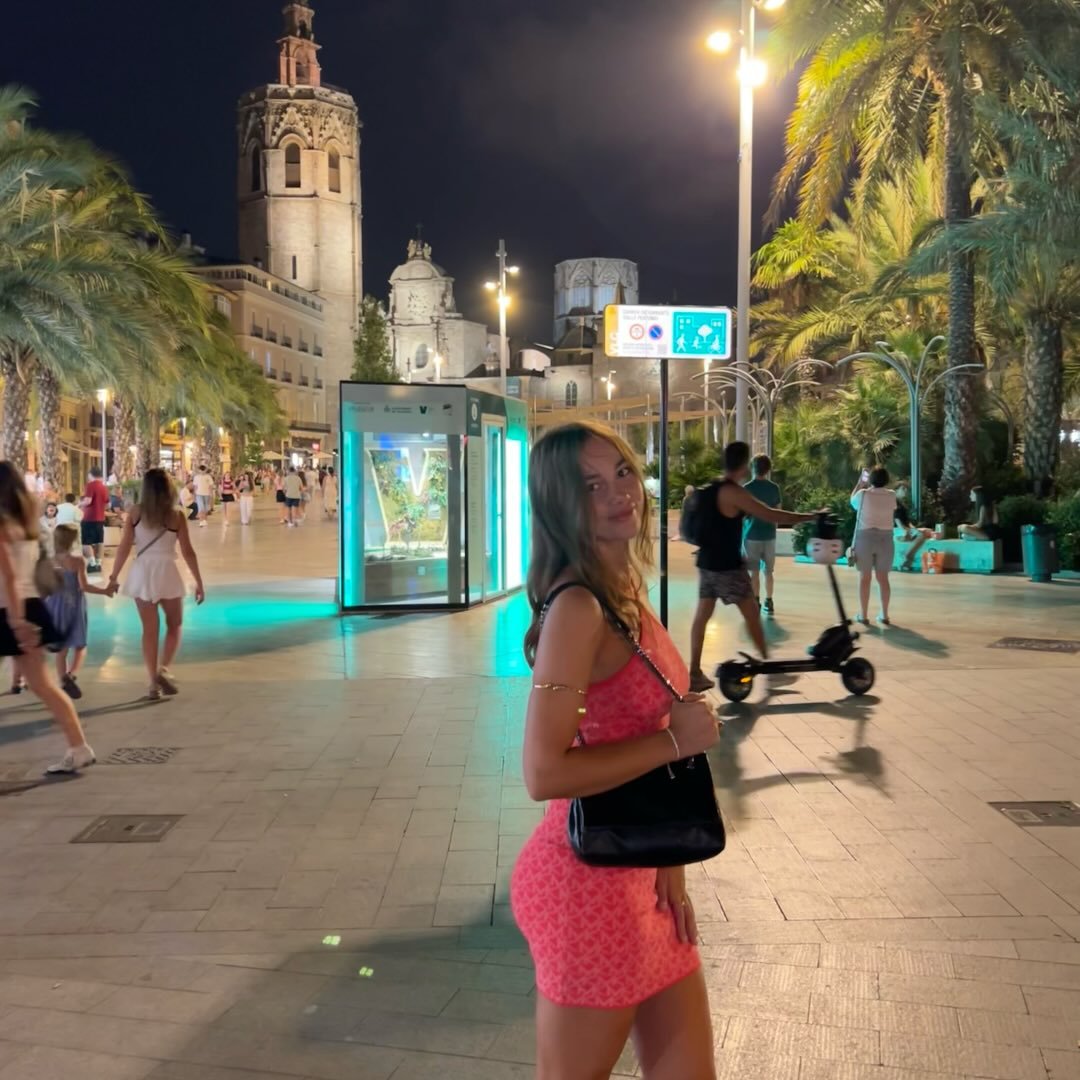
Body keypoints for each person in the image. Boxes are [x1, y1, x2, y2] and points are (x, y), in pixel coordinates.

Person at [510, 420, 722, 1080]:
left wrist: (671, 860)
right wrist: (673, 741)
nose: (618, 493)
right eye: (590, 485)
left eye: (622, 472)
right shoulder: (578, 609)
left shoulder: (623, 588)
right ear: (559, 506)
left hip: (643, 874)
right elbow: (543, 772)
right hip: (586, 889)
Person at [688, 442, 816, 691]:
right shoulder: (733, 493)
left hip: (707, 564)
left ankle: (694, 672)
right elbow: (771, 515)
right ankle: (769, 670)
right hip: (727, 567)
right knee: (752, 615)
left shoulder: (712, 488)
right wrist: (808, 517)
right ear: (744, 464)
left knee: (701, 617)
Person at [0, 463, 95, 773]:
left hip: (10, 610)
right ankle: (79, 747)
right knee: (44, 685)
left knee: (43, 685)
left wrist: (17, 622)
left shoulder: (3, 526)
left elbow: (9, 576)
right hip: (28, 606)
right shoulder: (27, 525)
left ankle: (79, 748)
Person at [106, 469, 206, 701]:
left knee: (150, 631)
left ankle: (153, 683)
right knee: (175, 624)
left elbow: (124, 547)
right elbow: (188, 552)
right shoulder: (176, 516)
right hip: (166, 572)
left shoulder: (135, 513)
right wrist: (199, 582)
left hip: (142, 572)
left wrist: (114, 576)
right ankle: (164, 669)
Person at [45, 523, 109, 699]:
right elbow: (85, 586)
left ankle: (63, 679)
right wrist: (105, 591)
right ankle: (71, 675)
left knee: (61, 648)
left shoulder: (49, 561)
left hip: (55, 606)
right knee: (80, 645)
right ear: (73, 539)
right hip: (74, 606)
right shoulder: (78, 560)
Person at [851, 467, 900, 625]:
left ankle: (863, 615)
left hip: (865, 538)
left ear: (870, 479)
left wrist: (860, 483)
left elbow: (852, 502)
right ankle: (884, 615)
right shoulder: (891, 495)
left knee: (864, 577)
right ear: (886, 480)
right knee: (883, 578)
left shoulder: (863, 494)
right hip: (886, 539)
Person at [742, 454, 782, 615]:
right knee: (769, 571)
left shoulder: (747, 488)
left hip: (751, 535)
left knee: (754, 572)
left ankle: (756, 601)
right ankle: (769, 601)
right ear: (768, 469)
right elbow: (778, 512)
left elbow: (742, 514)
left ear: (753, 468)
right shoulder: (774, 488)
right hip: (769, 535)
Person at [79, 467, 109, 575]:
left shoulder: (90, 485)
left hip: (89, 518)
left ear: (90, 475)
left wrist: (78, 505)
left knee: (86, 542)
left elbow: (88, 501)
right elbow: (107, 504)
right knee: (99, 541)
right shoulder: (104, 487)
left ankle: (92, 563)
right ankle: (98, 563)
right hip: (100, 518)